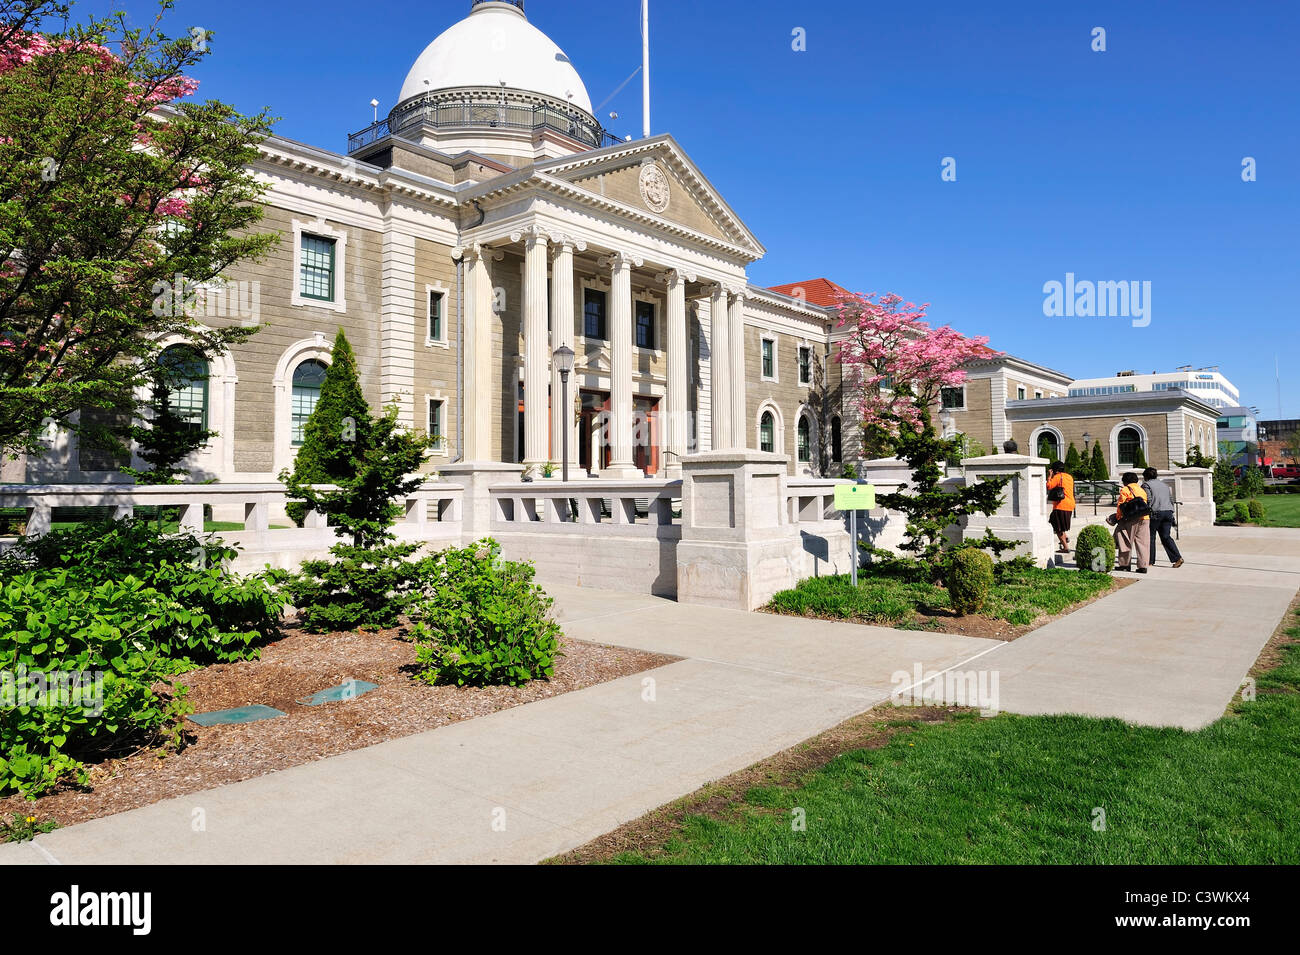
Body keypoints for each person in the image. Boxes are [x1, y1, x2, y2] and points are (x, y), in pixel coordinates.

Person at [1142, 467, 1184, 568]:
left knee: (1151, 537)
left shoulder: (1146, 485)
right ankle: (1177, 558)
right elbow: (1171, 499)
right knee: (1166, 537)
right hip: (1168, 512)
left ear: (1146, 476)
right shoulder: (1165, 485)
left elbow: (1148, 499)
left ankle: (1150, 561)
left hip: (1155, 513)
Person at [1112, 470, 1151, 573]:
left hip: (1131, 519)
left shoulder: (1125, 489)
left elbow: (1121, 506)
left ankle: (1125, 565)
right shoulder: (1141, 490)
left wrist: (1118, 518)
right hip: (1144, 518)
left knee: (1125, 541)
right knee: (1143, 543)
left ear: (1125, 481)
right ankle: (1143, 566)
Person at [1046, 460, 1075, 553]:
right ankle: (1065, 538)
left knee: (1057, 527)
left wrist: (1050, 476)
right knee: (1058, 523)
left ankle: (1066, 547)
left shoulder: (1058, 477)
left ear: (1055, 470)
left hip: (1061, 505)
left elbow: (1049, 486)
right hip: (1070, 504)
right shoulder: (1069, 477)